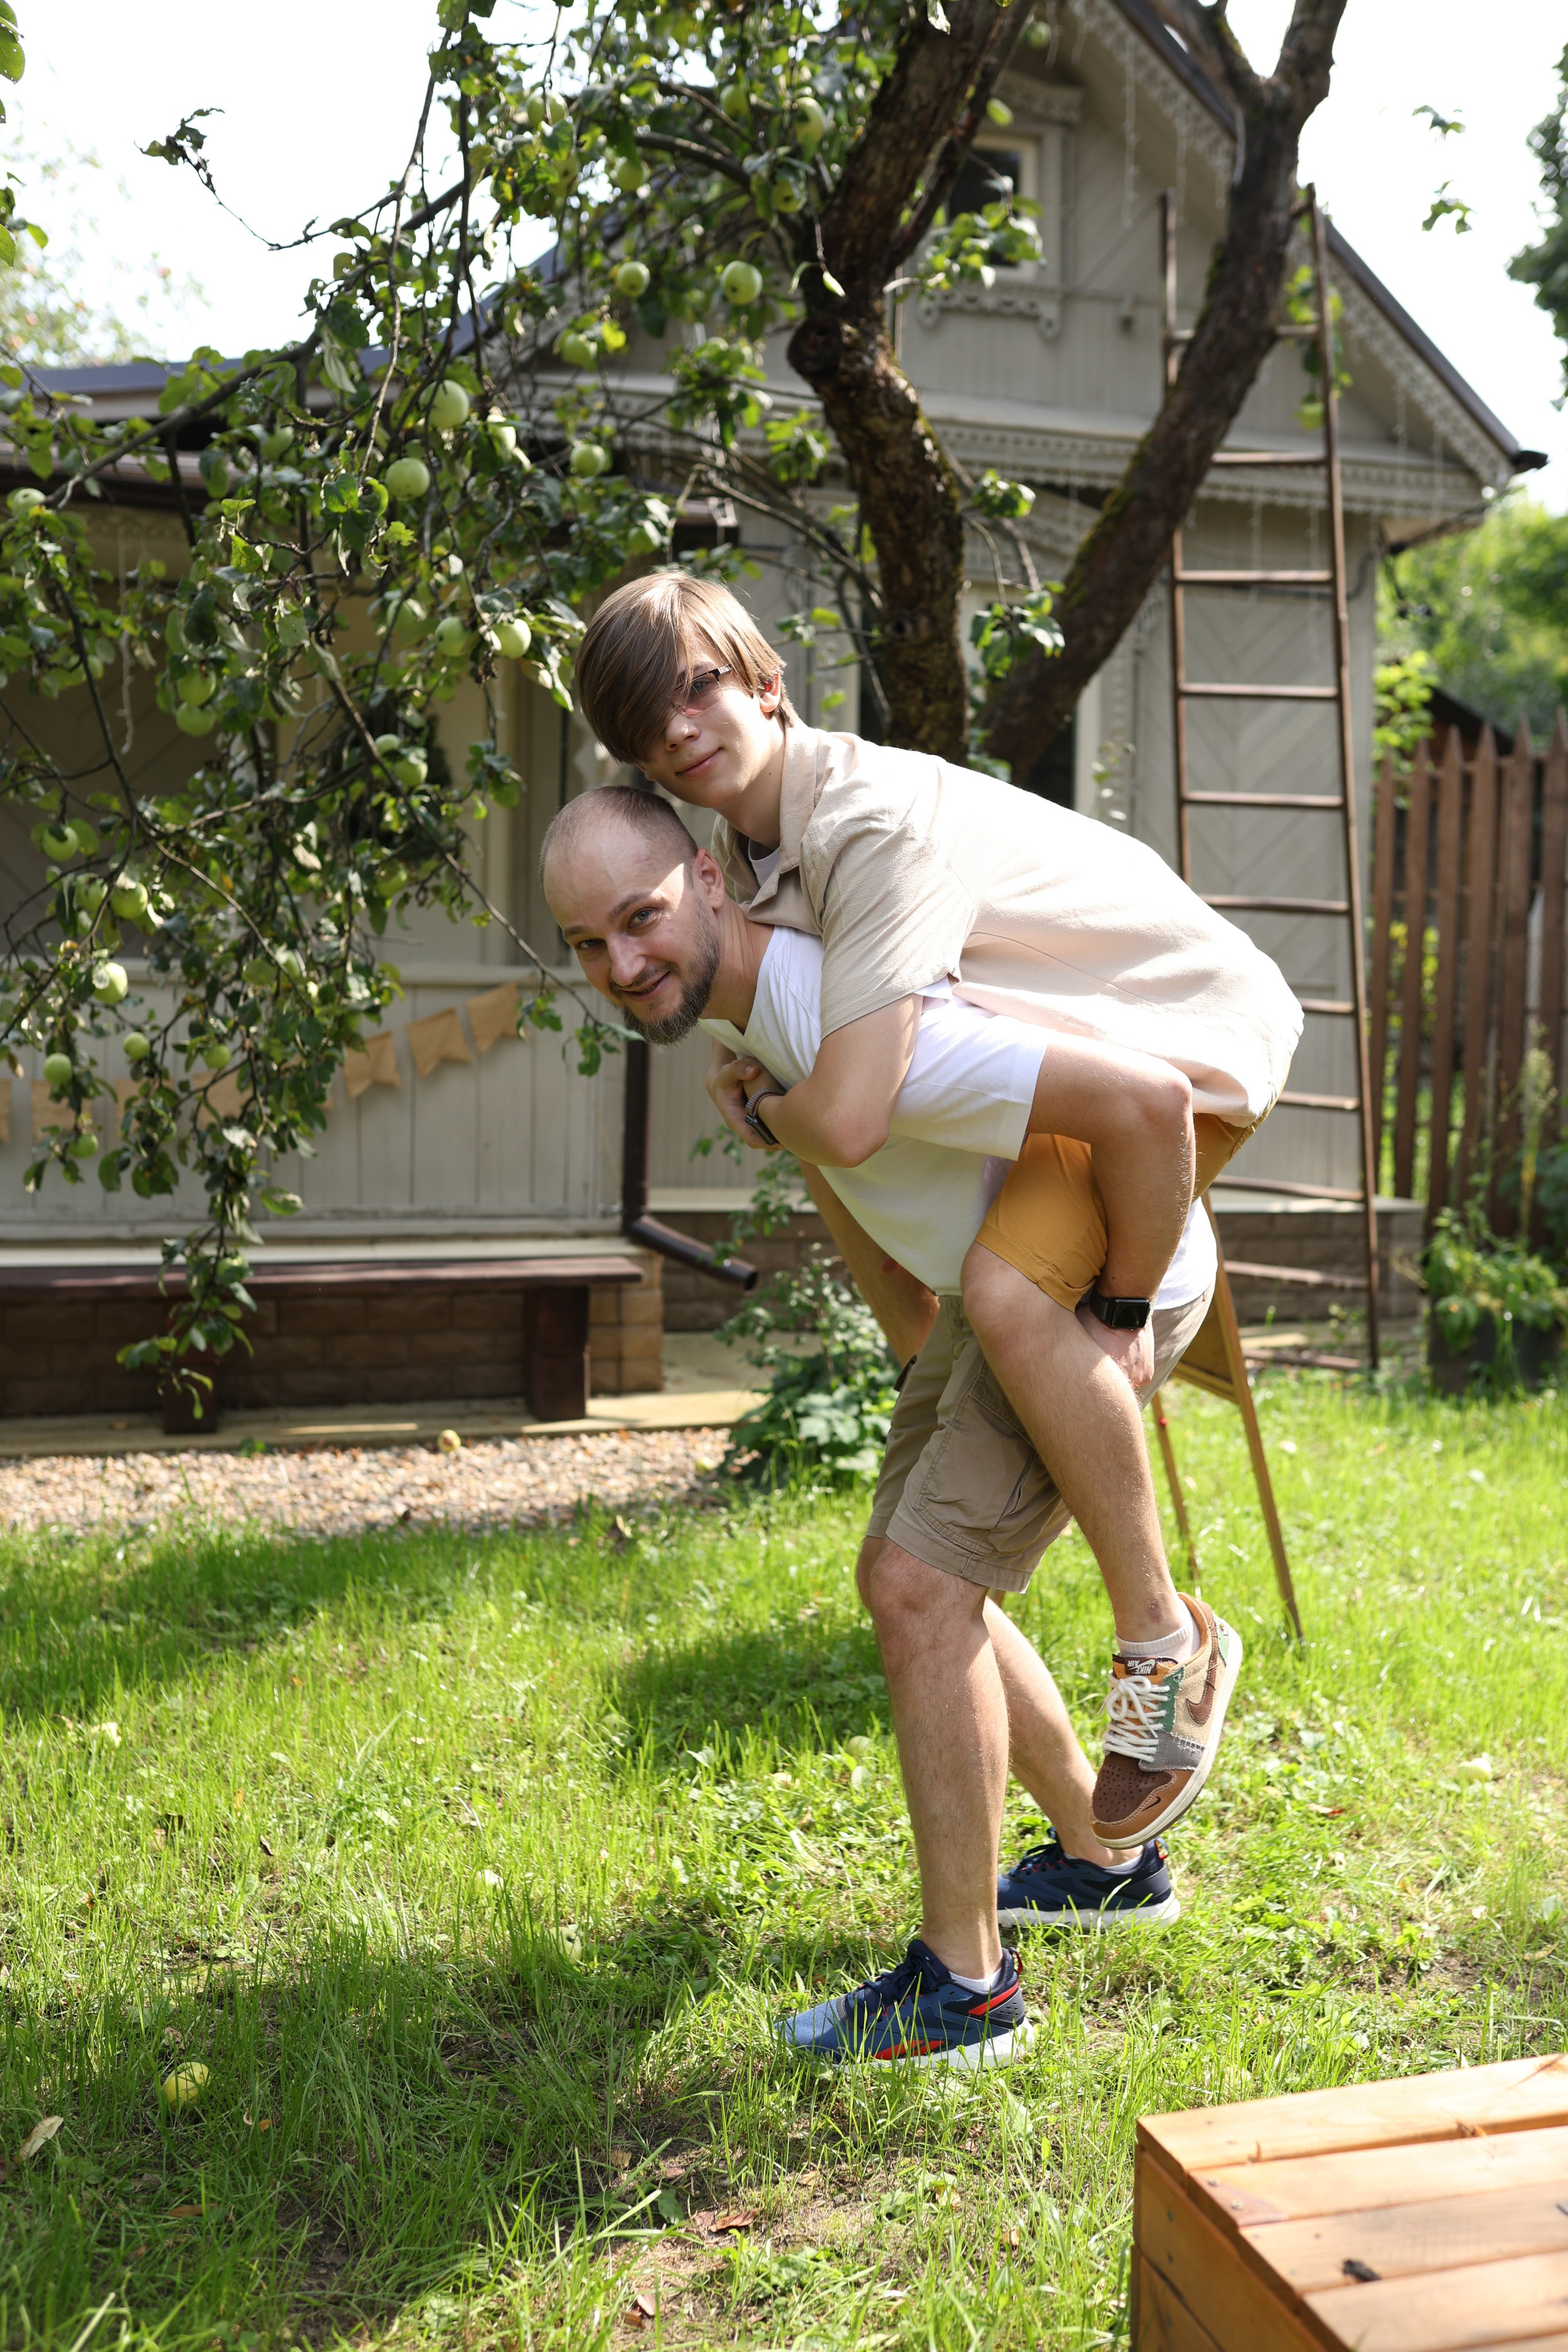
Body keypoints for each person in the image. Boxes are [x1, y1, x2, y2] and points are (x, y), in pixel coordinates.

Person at [570, 574, 1298, 1849]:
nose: (678, 726)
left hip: (1184, 1040)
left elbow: (848, 1116)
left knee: (1021, 1300)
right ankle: (1098, 1847)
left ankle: (1163, 1640)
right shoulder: (751, 859)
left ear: (763, 681)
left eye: (696, 684)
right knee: (917, 1541)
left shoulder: (865, 818)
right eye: (645, 718)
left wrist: (1118, 1317)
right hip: (1081, 1061)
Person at [541, 788, 1240, 2070]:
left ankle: (966, 1992)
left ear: (706, 878)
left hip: (1077, 1290)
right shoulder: (769, 1034)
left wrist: (1122, 1315)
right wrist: (929, 1361)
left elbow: (1143, 1103)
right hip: (994, 1291)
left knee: (920, 1590)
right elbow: (855, 1185)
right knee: (913, 1578)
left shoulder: (832, 1007)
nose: (619, 964)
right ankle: (1103, 1860)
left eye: (637, 919)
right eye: (587, 944)